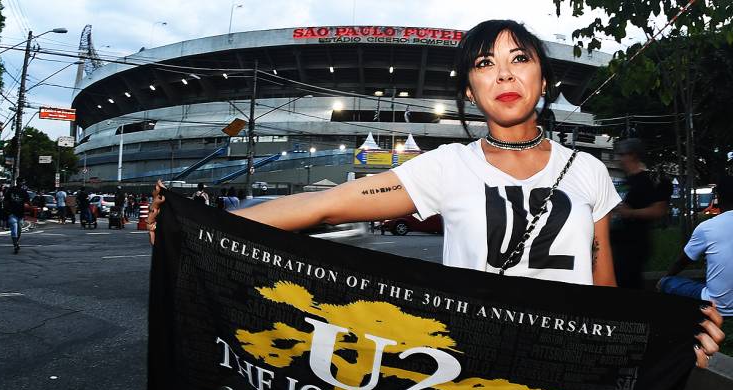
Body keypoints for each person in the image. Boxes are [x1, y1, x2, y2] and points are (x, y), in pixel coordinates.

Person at [150, 19, 723, 369]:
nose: (503, 74)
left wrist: (666, 345)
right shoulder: (448, 166)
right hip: (471, 372)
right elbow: (325, 204)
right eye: (485, 64)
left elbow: (606, 296)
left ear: (544, 81)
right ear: (471, 90)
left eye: (519, 59)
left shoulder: (588, 172)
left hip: (563, 372)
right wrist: (196, 222)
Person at [659, 176, 733, 329]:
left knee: (667, 283)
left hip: (717, 305)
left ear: (718, 197)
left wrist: (666, 277)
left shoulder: (707, 227)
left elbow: (683, 261)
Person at [610, 138, 670, 289]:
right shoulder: (626, 181)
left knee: (629, 282)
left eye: (622, 154)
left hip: (634, 244)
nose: (619, 159)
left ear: (632, 155)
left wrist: (630, 213)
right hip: (618, 243)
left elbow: (659, 210)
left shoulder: (648, 180)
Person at [4, 179, 30, 254]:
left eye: (22, 182)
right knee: (14, 230)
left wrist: (30, 206)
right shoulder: (11, 190)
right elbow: (5, 200)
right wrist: (7, 210)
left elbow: (28, 201)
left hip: (20, 214)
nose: (20, 183)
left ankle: (16, 242)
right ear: (17, 182)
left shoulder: (24, 192)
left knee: (19, 231)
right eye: (19, 182)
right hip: (12, 213)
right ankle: (15, 245)